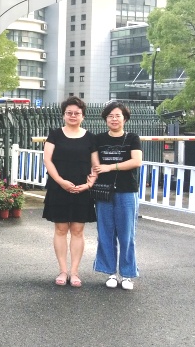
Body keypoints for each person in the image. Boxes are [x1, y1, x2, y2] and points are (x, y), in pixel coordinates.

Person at [42, 96, 97, 288]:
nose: (73, 116)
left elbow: (95, 165)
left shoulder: (90, 138)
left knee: (78, 230)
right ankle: (63, 271)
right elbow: (47, 160)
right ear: (64, 115)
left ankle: (74, 272)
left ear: (83, 116)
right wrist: (61, 181)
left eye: (77, 113)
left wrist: (89, 184)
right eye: (69, 113)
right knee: (60, 229)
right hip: (59, 187)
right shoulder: (55, 135)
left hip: (82, 189)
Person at [91, 101, 142, 291]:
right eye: (110, 116)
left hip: (127, 190)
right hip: (104, 191)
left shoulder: (132, 138)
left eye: (118, 116)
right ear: (105, 119)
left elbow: (136, 161)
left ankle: (127, 274)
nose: (114, 119)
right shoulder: (98, 139)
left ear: (125, 119)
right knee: (105, 233)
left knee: (127, 234)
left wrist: (110, 167)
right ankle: (110, 272)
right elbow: (94, 163)